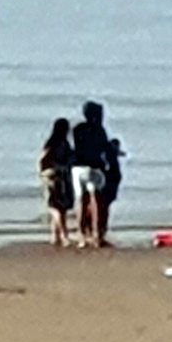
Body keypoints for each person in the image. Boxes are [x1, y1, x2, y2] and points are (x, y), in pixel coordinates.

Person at [71, 101, 113, 247]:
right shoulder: (98, 130)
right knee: (96, 202)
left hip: (77, 168)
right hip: (94, 167)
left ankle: (82, 235)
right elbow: (104, 148)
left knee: (81, 202)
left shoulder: (77, 129)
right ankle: (97, 235)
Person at [38, 118, 73, 248]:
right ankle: (64, 235)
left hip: (54, 175)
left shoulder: (52, 142)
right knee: (58, 207)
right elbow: (44, 158)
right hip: (57, 175)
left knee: (56, 206)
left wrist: (42, 172)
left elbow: (42, 159)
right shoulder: (59, 143)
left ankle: (55, 236)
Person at [100, 138, 124, 246]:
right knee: (104, 208)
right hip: (109, 183)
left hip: (112, 183)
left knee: (104, 207)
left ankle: (101, 231)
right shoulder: (109, 158)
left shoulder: (109, 156)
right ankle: (101, 232)